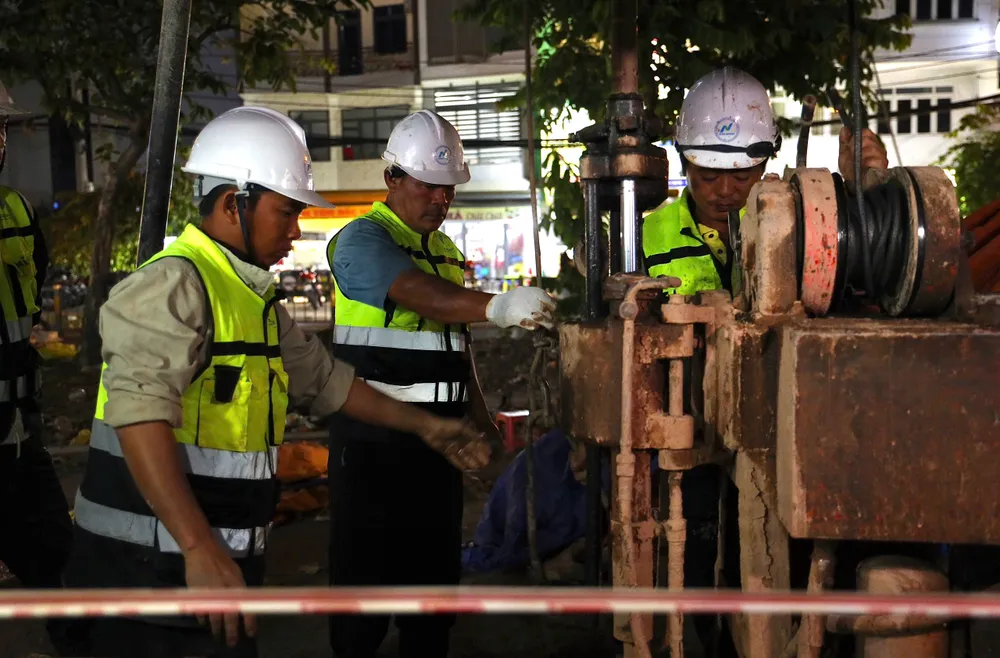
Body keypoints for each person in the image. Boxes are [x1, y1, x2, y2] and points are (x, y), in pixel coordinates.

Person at [62, 106, 490, 658]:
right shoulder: (173, 285)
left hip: (210, 560)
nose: (297, 230)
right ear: (231, 203)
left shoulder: (253, 300)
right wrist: (197, 546)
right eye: (286, 212)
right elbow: (138, 417)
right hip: (142, 575)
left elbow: (330, 382)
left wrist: (428, 427)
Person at [642, 67, 889, 655]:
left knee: (785, 551)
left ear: (768, 162)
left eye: (743, 174)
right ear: (683, 161)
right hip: (691, 429)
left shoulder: (809, 224)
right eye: (710, 175)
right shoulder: (646, 231)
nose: (727, 190)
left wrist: (869, 187)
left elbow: (853, 286)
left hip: (783, 428)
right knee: (694, 555)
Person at [326, 109, 555, 658]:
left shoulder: (446, 253)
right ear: (392, 179)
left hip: (436, 450)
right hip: (374, 449)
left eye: (448, 189)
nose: (440, 200)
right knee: (366, 591)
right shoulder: (360, 241)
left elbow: (456, 347)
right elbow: (414, 293)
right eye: (428, 186)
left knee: (431, 595)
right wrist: (497, 304)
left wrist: (478, 421)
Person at [0, 79, 83, 655]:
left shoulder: (17, 210)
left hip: (16, 424)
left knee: (64, 569)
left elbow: (27, 301)